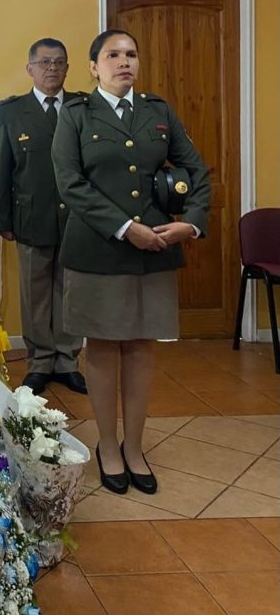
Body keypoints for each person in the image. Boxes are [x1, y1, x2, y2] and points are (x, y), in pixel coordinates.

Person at [52, 29, 210, 495]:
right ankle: (108, 445)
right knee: (101, 349)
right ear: (94, 67)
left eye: (132, 54)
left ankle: (135, 446)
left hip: (155, 252)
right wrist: (125, 227)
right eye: (113, 55)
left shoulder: (158, 112)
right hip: (99, 251)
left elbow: (198, 172)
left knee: (140, 349)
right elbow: (70, 183)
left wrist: (193, 224)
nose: (125, 62)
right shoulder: (76, 115)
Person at [0, 38, 87, 395]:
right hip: (31, 217)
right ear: (29, 68)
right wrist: (2, 220)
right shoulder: (10, 112)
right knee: (36, 292)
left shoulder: (83, 106)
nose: (52, 69)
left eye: (60, 62)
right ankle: (40, 361)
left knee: (70, 291)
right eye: (44, 62)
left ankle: (67, 360)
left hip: (78, 218)